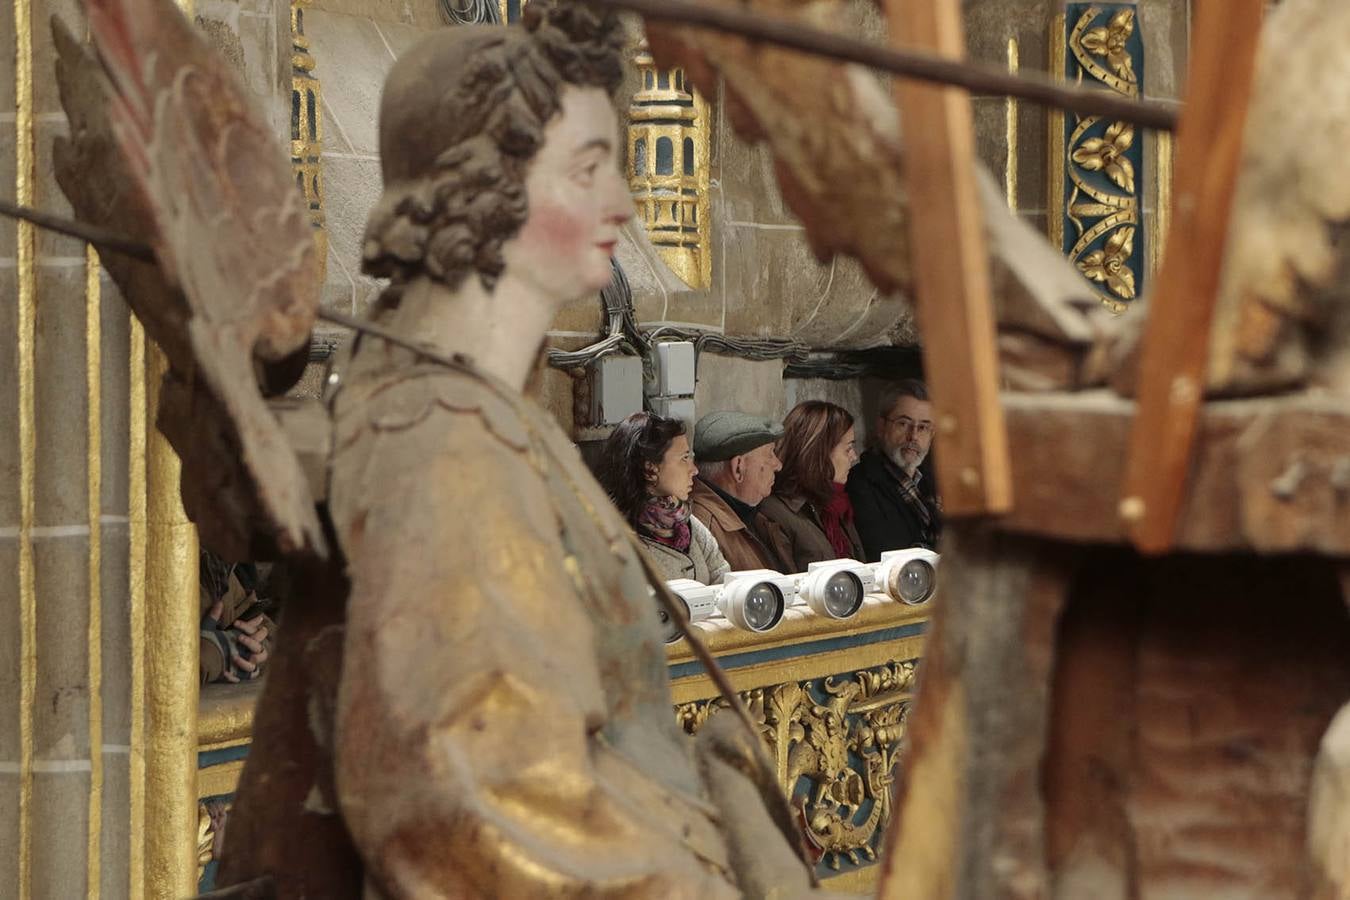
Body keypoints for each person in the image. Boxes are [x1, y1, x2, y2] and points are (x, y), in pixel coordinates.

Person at [598, 412, 730, 584]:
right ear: (650, 469)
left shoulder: (689, 524)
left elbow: (722, 578)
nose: (694, 470)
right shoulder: (615, 541)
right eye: (684, 458)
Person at [759, 401, 864, 571]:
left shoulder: (836, 503)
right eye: (848, 449)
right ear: (820, 453)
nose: (854, 457)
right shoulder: (773, 514)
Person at [847, 379, 942, 561]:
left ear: (932, 434)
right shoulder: (859, 484)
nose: (913, 436)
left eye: (923, 427)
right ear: (881, 426)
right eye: (903, 424)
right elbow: (887, 555)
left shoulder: (933, 482)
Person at [689, 410, 794, 573]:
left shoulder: (751, 513)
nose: (778, 465)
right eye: (770, 454)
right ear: (738, 468)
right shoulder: (703, 528)